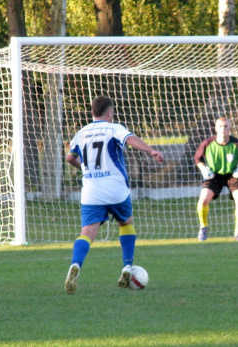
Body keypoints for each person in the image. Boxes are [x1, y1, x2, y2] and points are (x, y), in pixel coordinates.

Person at [64, 96, 164, 294]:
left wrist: (84, 168)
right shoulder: (113, 128)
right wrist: (150, 150)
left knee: (87, 233)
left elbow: (70, 157)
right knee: (126, 223)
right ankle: (127, 266)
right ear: (109, 112)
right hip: (116, 188)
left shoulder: (81, 133)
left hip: (92, 191)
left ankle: (76, 264)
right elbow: (130, 139)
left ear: (92, 112)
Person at [194, 117, 238, 241]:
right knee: (203, 200)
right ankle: (203, 227)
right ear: (215, 128)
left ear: (230, 128)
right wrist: (203, 169)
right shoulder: (208, 143)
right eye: (220, 126)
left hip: (232, 175)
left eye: (226, 126)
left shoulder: (237, 144)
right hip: (214, 176)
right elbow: (197, 158)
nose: (223, 129)